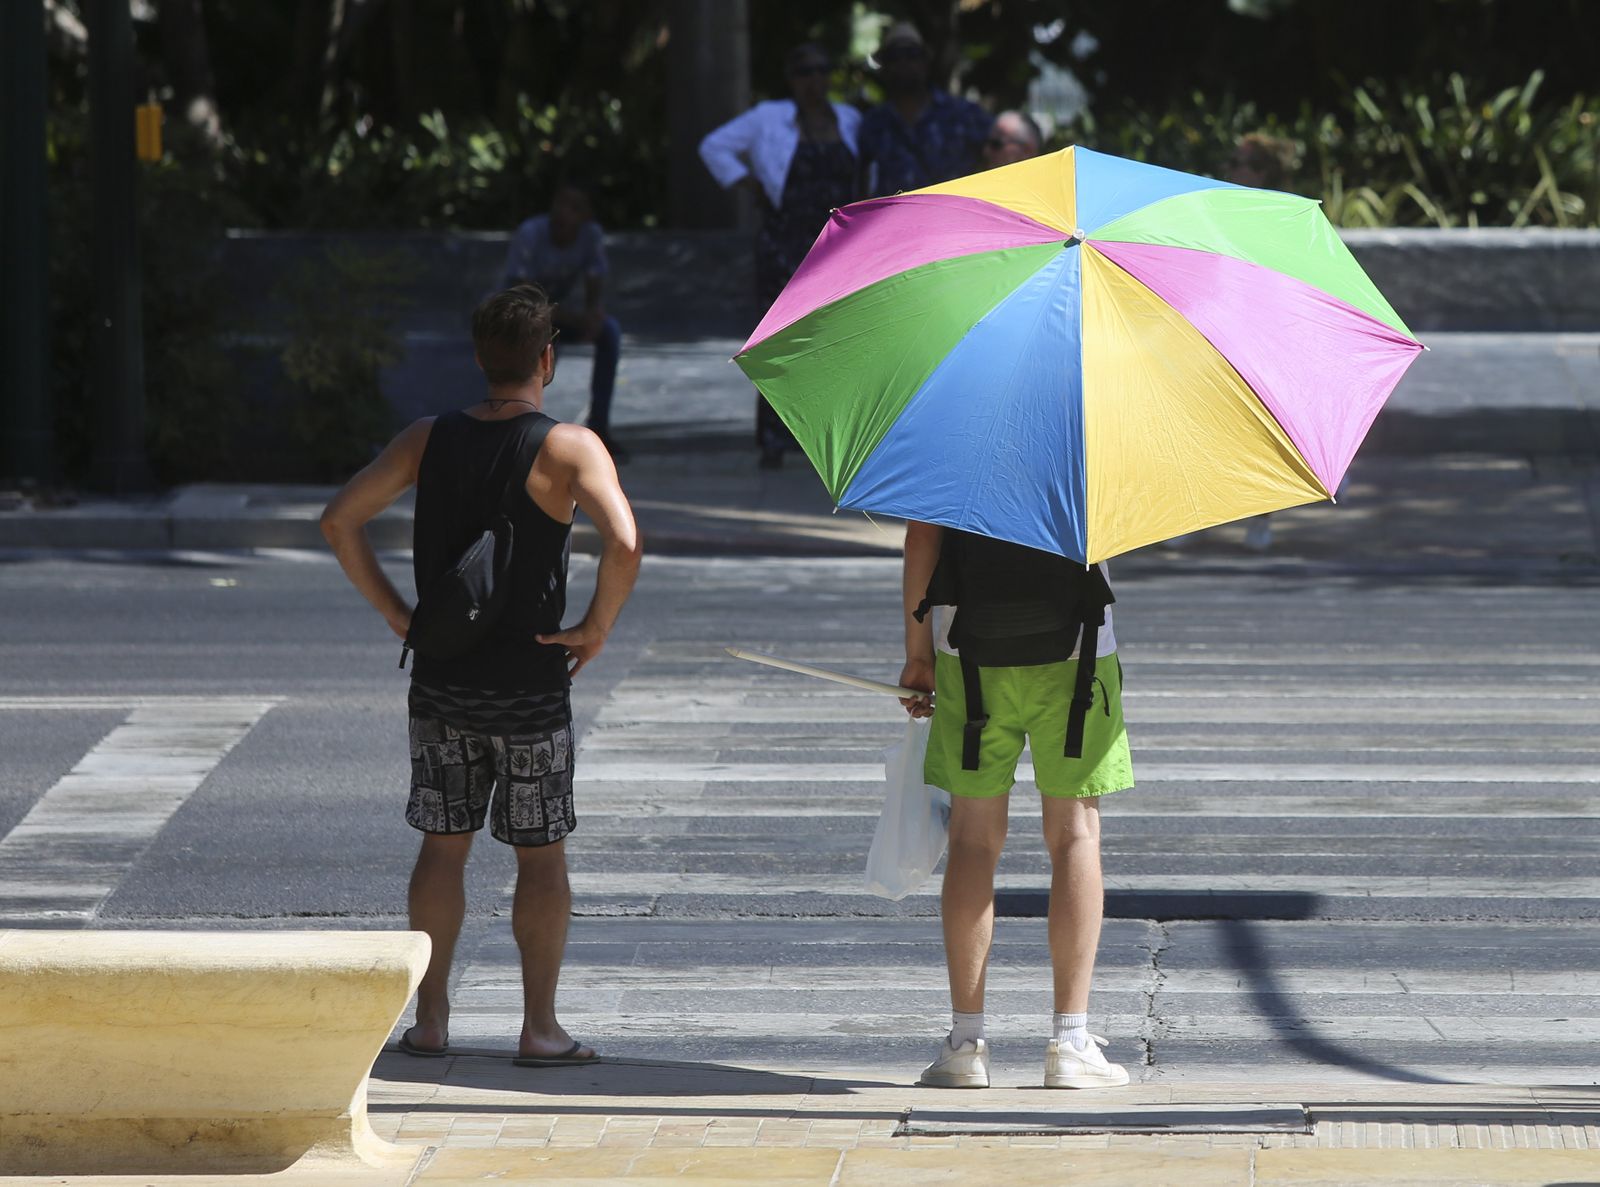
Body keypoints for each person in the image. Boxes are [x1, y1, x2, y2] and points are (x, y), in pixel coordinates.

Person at [320, 284, 643, 1066]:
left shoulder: (429, 438)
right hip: (531, 687)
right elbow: (626, 542)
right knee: (541, 855)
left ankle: (430, 1020)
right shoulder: (569, 447)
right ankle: (539, 1029)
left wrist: (401, 615)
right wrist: (595, 627)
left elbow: (339, 519)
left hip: (442, 683)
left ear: (478, 358)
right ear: (547, 359)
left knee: (442, 846)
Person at [898, 522, 1134, 1090]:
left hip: (968, 654)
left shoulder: (949, 433)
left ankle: (964, 1044)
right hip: (1078, 655)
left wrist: (918, 655)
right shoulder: (1093, 433)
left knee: (973, 839)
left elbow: (921, 541)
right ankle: (1072, 1042)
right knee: (1075, 834)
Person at [699, 43, 861, 468]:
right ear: (791, 78)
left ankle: (828, 438)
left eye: (822, 69)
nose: (814, 79)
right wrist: (749, 183)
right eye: (805, 71)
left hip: (837, 244)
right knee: (779, 336)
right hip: (783, 240)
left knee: (836, 337)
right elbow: (713, 146)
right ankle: (773, 438)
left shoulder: (850, 119)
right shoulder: (769, 118)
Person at [502, 184, 629, 463]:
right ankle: (517, 424)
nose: (564, 215)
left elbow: (595, 278)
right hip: (522, 312)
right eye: (560, 205)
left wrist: (593, 312)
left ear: (585, 216)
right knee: (528, 345)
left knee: (609, 332)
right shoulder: (530, 234)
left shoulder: (590, 236)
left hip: (562, 312)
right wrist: (568, 317)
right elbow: (521, 292)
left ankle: (600, 424)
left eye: (574, 209)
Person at [1225, 133, 1299, 550]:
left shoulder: (1280, 218)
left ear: (1264, 173)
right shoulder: (1216, 212)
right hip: (1223, 328)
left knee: (1260, 426)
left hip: (1264, 335)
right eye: (1232, 161)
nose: (1232, 170)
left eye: (1243, 164)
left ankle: (1261, 511)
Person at [856, 23, 992, 197]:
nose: (903, 63)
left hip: (953, 220)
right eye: (894, 56)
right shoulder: (872, 124)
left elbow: (999, 152)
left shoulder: (964, 115)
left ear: (925, 62)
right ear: (885, 66)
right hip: (894, 222)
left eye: (912, 54)